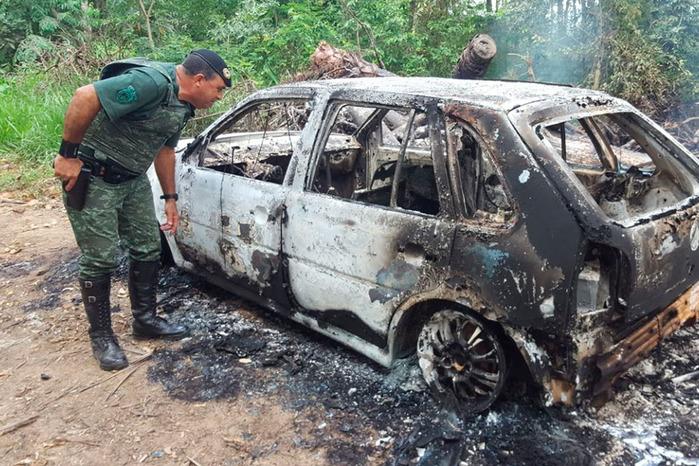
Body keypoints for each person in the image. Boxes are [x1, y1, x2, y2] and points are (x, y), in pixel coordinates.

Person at [53, 50, 231, 371]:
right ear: (200, 80)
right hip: (96, 177)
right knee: (101, 257)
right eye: (218, 89)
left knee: (147, 248)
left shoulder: (182, 105)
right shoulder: (150, 83)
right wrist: (67, 155)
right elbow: (85, 96)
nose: (219, 97)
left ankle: (145, 320)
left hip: (133, 179)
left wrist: (170, 198)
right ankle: (102, 336)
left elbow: (164, 151)